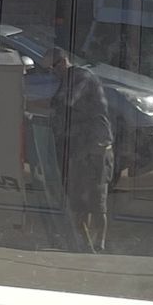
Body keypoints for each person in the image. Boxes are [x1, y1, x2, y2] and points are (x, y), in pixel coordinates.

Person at [50, 45, 115, 252]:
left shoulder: (82, 78)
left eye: (53, 66)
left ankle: (100, 243)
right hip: (79, 147)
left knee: (97, 200)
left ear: (63, 61)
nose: (52, 72)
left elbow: (66, 102)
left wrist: (30, 103)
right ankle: (86, 243)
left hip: (97, 146)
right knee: (78, 200)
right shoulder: (66, 80)